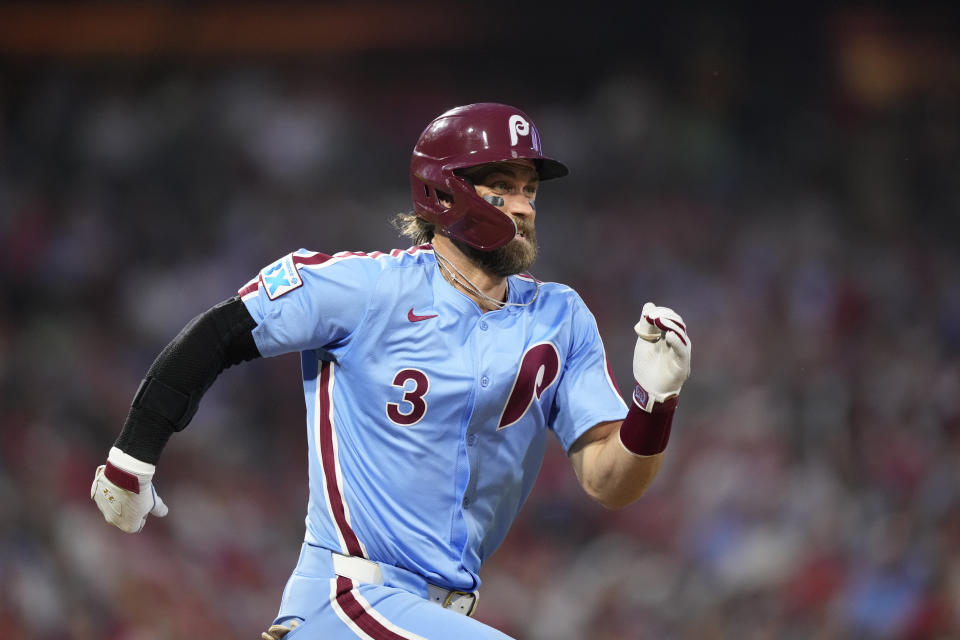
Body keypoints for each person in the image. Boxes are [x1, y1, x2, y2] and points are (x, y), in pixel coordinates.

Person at [91, 102, 692, 639]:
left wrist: (653, 405)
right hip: (350, 598)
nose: (524, 206)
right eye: (502, 186)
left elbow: (610, 482)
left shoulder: (561, 316)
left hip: (437, 616)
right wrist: (131, 456)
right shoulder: (367, 288)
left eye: (530, 188)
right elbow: (220, 333)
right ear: (445, 191)